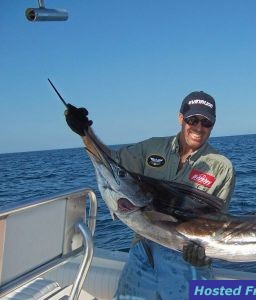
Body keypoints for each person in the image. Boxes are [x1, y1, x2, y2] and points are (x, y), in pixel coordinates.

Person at [64, 91, 236, 299]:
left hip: (187, 258)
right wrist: (85, 132)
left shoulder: (222, 167)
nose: (199, 127)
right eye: (193, 119)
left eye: (206, 122)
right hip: (144, 251)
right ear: (181, 118)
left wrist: (204, 256)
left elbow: (219, 225)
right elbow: (112, 162)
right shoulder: (152, 147)